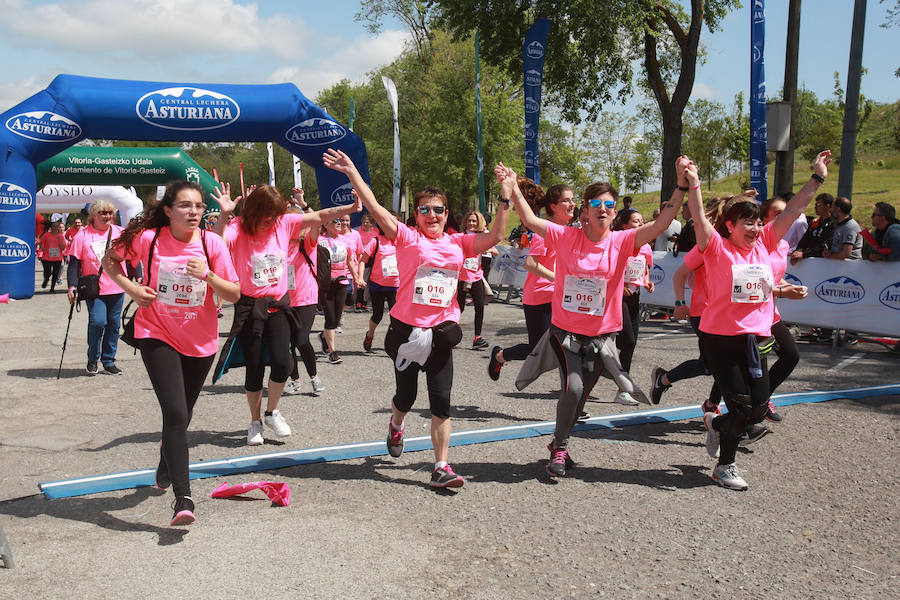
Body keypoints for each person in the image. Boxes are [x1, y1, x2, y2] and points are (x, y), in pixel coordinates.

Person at [322, 148, 510, 489]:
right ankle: (396, 423)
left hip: (439, 334)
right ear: (417, 214)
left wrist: (505, 195)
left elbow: (496, 236)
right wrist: (352, 173)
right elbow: (376, 209)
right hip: (406, 332)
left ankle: (441, 466)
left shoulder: (459, 243)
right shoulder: (407, 237)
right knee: (406, 397)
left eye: (438, 210)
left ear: (446, 213)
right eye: (425, 209)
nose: (432, 215)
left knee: (441, 400)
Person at [505, 157, 690, 477]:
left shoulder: (622, 241)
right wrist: (512, 189)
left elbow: (662, 223)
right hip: (565, 332)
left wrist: (682, 184)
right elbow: (530, 221)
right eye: (596, 203)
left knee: (580, 397)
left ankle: (558, 441)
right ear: (585, 212)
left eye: (609, 204)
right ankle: (560, 447)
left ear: (614, 211)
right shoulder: (566, 236)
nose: (603, 208)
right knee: (573, 389)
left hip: (603, 336)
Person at [690, 150, 831, 491]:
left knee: (756, 410)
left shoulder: (766, 242)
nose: (755, 228)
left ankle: (719, 425)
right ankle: (725, 467)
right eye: (747, 223)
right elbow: (698, 215)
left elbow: (795, 208)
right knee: (740, 407)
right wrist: (693, 184)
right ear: (730, 226)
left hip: (756, 338)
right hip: (721, 339)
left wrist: (818, 177)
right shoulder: (716, 248)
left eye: (757, 222)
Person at [103, 181, 240, 526]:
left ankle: (165, 464)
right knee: (176, 413)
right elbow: (110, 261)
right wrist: (133, 288)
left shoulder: (213, 244)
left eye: (197, 206)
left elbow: (235, 293)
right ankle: (184, 498)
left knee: (182, 415)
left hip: (200, 340)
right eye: (184, 206)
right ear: (168, 211)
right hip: (156, 332)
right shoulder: (148, 239)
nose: (194, 212)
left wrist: (207, 275)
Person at [212, 183, 361, 445]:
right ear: (254, 212)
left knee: (284, 363)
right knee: (255, 368)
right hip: (250, 307)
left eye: (275, 215)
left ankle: (272, 411)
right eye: (267, 216)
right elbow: (214, 244)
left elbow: (320, 215)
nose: (271, 220)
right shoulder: (238, 229)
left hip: (279, 305)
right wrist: (225, 215)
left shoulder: (283, 223)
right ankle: (255, 422)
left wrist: (351, 208)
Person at [488, 183, 572, 380]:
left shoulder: (569, 232)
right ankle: (500, 356)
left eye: (572, 199)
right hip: (540, 297)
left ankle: (571, 394)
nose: (572, 204)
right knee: (538, 348)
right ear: (553, 206)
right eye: (566, 200)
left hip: (562, 295)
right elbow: (530, 264)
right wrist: (558, 278)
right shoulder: (545, 233)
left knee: (568, 345)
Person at [66, 200, 126, 375]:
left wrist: (137, 273)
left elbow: (130, 254)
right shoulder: (82, 235)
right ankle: (93, 358)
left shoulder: (120, 233)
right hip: (94, 287)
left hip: (117, 285)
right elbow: (74, 263)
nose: (107, 216)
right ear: (93, 215)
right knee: (98, 322)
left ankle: (108, 361)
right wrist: (71, 286)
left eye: (109, 212)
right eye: (103, 213)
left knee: (114, 325)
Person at [282, 188, 326, 395]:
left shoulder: (307, 242)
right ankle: (295, 379)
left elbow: (319, 221)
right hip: (282, 299)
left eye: (295, 222)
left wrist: (303, 204)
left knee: (301, 339)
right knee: (287, 343)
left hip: (306, 298)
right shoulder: (278, 244)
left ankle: (314, 377)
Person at [610, 208, 655, 405]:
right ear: (624, 225)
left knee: (631, 343)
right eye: (636, 221)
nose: (641, 223)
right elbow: (609, 269)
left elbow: (644, 269)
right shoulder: (618, 243)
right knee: (625, 341)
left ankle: (622, 389)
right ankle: (617, 381)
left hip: (634, 298)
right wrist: (620, 286)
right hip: (616, 297)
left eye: (642, 220)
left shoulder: (645, 246)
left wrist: (647, 281)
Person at [318, 212, 364, 363]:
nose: (339, 223)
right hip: (326, 284)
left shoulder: (345, 241)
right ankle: (333, 353)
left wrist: (356, 278)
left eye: (340, 221)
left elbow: (350, 261)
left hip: (342, 282)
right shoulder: (319, 240)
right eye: (335, 221)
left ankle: (324, 336)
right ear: (325, 224)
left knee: (336, 319)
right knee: (330, 318)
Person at [360, 210, 401, 353]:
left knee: (395, 316)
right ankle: (370, 334)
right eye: (388, 221)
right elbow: (363, 261)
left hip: (395, 285)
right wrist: (359, 277)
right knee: (377, 315)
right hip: (377, 284)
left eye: (395, 222)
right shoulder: (375, 241)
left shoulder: (402, 242)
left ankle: (393, 343)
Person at [457, 210, 498, 349]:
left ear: (479, 222)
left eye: (474, 221)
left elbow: (495, 251)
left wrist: (487, 250)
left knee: (479, 306)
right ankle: (448, 333)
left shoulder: (482, 237)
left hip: (476, 276)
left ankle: (477, 337)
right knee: (458, 307)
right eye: (469, 221)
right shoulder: (461, 236)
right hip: (461, 276)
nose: (471, 223)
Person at [790, 193, 835, 264]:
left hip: (824, 263)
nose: (815, 207)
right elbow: (805, 239)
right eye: (815, 205)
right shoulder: (815, 222)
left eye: (818, 205)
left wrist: (804, 255)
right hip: (810, 261)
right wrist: (799, 250)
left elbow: (825, 245)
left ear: (827, 206)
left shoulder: (833, 224)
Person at [822, 196, 862, 261]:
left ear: (838, 209)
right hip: (838, 265)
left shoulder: (850, 227)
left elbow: (846, 254)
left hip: (850, 267)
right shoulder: (838, 224)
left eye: (832, 207)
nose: (830, 210)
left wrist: (830, 257)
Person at [355, 213, 378, 311]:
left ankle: (365, 301)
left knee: (368, 282)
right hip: (360, 258)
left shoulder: (376, 233)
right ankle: (359, 302)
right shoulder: (357, 232)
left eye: (367, 222)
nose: (365, 224)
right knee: (361, 280)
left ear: (372, 224)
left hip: (372, 259)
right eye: (363, 222)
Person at [38, 221, 67, 293]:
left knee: (55, 273)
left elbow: (63, 248)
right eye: (53, 226)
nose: (55, 228)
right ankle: (46, 279)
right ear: (51, 227)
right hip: (47, 257)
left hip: (57, 258)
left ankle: (52, 288)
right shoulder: (46, 235)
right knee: (47, 272)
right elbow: (41, 243)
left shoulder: (61, 236)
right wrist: (42, 248)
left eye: (57, 226)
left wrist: (60, 240)